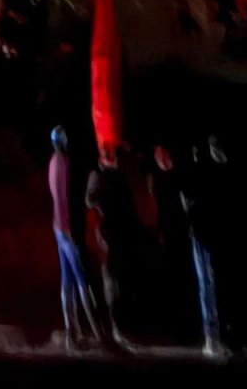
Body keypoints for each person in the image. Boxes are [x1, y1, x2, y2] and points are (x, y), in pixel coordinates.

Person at [159, 137, 234, 361]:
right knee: (208, 284)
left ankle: (217, 336)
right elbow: (190, 202)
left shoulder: (201, 173)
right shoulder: (198, 173)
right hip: (203, 233)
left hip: (205, 232)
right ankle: (212, 337)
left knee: (211, 283)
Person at [49, 126, 102, 349]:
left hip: (57, 227)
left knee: (67, 280)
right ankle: (100, 334)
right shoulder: (66, 165)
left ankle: (72, 333)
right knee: (82, 280)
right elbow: (68, 198)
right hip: (68, 230)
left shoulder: (52, 162)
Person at [85, 148, 145, 347]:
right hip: (109, 235)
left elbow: (129, 207)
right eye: (108, 155)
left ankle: (125, 327)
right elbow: (90, 200)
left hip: (122, 234)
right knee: (112, 282)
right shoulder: (100, 176)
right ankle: (116, 329)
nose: (113, 160)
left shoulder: (119, 176)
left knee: (122, 281)